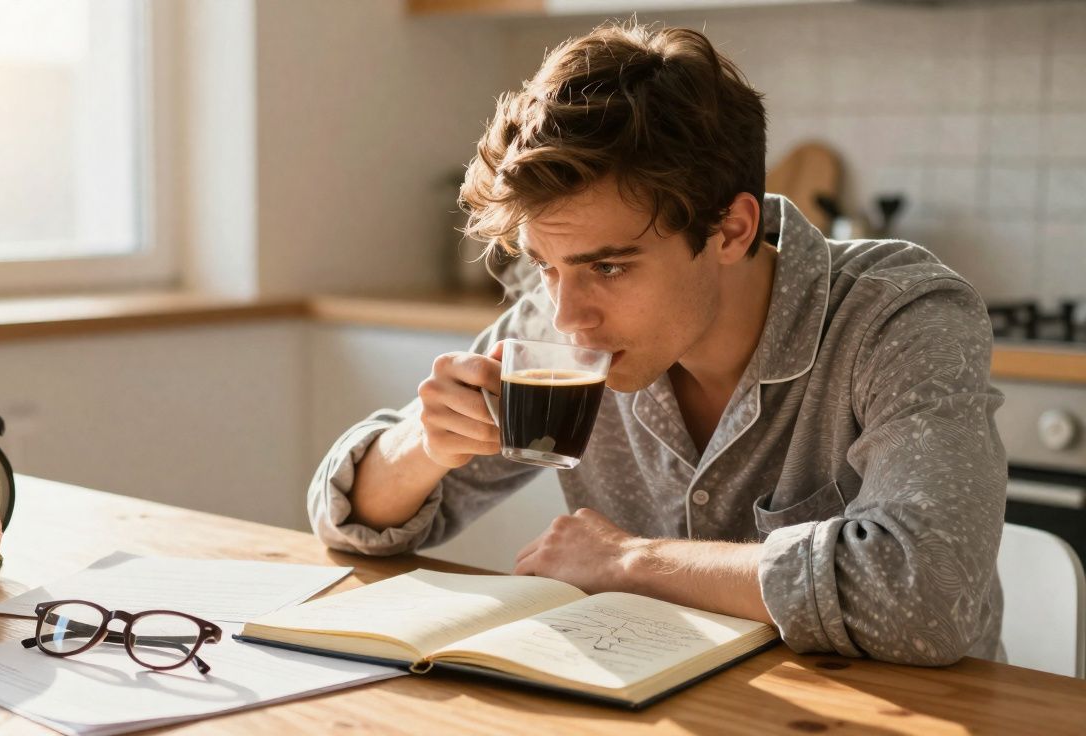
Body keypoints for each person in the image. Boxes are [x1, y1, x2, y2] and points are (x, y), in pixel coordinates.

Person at [308, 22, 1006, 666]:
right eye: (545, 266)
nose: (568, 315)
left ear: (731, 230)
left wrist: (630, 561)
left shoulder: (899, 316)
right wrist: (422, 449)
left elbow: (928, 594)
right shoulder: (557, 324)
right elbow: (346, 521)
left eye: (608, 267)